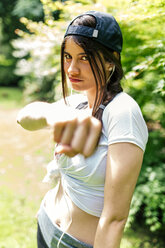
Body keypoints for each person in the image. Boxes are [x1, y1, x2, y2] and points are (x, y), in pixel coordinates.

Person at [17, 11, 148, 248]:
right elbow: (23, 118)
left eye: (85, 58)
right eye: (68, 56)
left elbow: (115, 218)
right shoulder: (79, 102)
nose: (72, 69)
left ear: (111, 60)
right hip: (46, 225)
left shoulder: (123, 112)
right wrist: (53, 115)